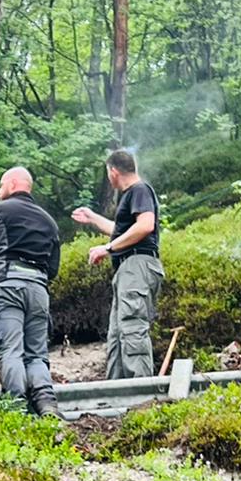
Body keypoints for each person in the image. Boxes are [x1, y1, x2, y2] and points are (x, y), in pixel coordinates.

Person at [0, 166, 61, 416]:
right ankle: (47, 405)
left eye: (1, 185)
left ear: (12, 183)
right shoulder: (49, 221)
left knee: (11, 349)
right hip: (39, 289)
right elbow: (53, 268)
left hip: (7, 286)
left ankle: (16, 408)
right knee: (37, 354)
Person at [72, 149, 162, 380]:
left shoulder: (140, 190)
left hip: (137, 265)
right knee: (117, 334)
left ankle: (141, 390)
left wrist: (108, 248)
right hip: (126, 269)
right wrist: (92, 218)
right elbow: (121, 231)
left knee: (132, 327)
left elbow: (145, 226)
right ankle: (116, 389)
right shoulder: (130, 196)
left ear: (113, 171)